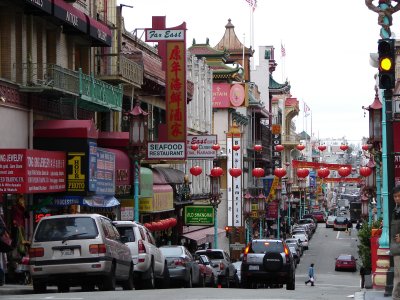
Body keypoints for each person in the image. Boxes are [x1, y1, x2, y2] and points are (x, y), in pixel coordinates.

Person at [389, 185, 400, 299]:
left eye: (399, 196)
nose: (397, 199)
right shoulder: (396, 210)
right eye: (395, 196)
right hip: (396, 248)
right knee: (398, 275)